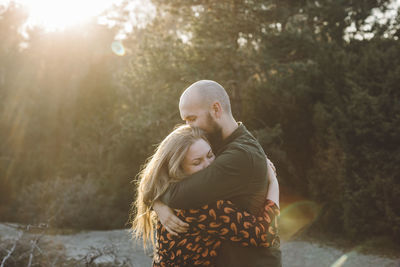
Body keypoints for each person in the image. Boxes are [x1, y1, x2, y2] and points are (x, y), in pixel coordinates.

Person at [153, 80, 282, 266]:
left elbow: (177, 195)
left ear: (216, 109)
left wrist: (155, 198)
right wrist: (156, 204)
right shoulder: (218, 144)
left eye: (192, 118)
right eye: (186, 121)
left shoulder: (239, 155)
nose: (189, 126)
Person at [131, 125, 280, 266]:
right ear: (178, 168)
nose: (209, 165)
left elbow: (149, 185)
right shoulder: (201, 206)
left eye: (210, 155)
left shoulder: (167, 189)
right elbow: (264, 235)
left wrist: (157, 203)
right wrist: (273, 181)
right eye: (197, 162)